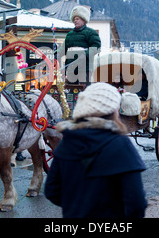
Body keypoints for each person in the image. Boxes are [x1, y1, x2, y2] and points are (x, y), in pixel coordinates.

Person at [44, 83, 147, 218]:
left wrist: (77, 207)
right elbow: (136, 203)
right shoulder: (120, 144)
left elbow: (52, 191)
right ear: (112, 111)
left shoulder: (67, 142)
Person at [64, 5, 101, 85]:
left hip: (85, 67)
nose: (75, 21)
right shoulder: (69, 34)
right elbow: (64, 48)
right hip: (71, 67)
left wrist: (86, 55)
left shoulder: (91, 33)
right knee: (71, 91)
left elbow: (96, 46)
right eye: (74, 19)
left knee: (84, 90)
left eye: (77, 19)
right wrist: (56, 54)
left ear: (83, 20)